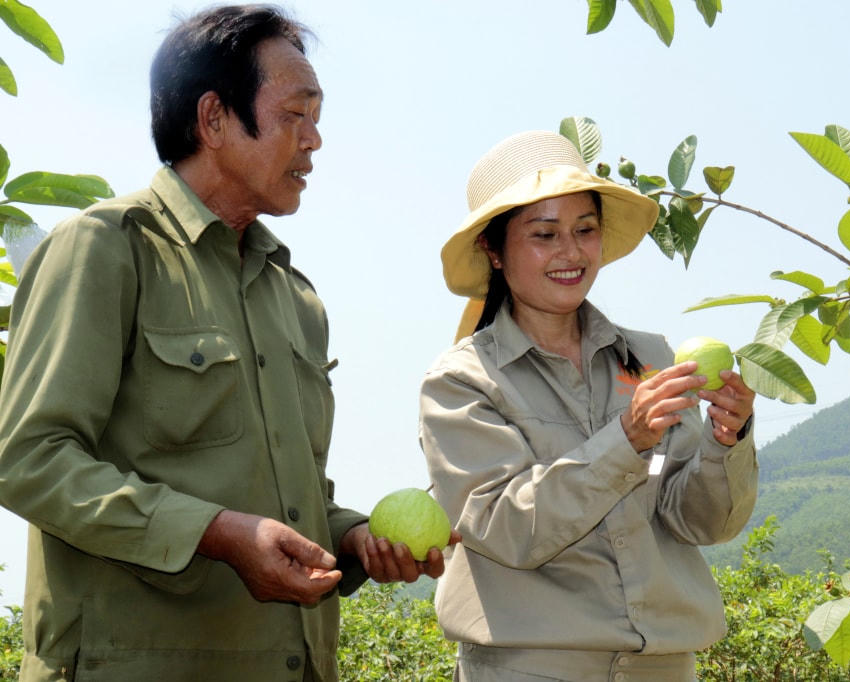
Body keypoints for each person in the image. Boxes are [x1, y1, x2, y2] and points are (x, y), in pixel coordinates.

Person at [0, 6, 453, 681]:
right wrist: (215, 533)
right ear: (213, 119)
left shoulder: (293, 298)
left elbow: (287, 498)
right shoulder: (106, 250)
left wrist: (353, 538)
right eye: (296, 114)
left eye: (318, 118)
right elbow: (27, 459)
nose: (314, 141)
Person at [419, 130, 758, 681]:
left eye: (585, 229)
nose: (571, 252)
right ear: (494, 250)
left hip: (665, 668)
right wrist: (626, 438)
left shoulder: (650, 360)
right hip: (532, 669)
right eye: (544, 234)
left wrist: (726, 442)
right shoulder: (461, 381)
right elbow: (505, 528)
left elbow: (700, 521)